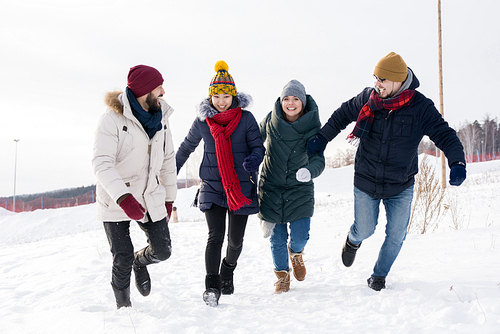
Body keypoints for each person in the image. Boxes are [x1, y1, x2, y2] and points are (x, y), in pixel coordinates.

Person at [307, 52, 467, 291]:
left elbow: (444, 134)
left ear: (398, 81)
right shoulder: (367, 99)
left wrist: (457, 162)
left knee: (396, 235)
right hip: (366, 179)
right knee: (365, 228)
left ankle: (378, 276)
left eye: (382, 79)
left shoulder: (421, 107)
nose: (377, 83)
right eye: (376, 77)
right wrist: (322, 138)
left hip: (400, 183)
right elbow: (341, 115)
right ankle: (353, 240)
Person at [176, 60, 265, 306]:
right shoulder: (202, 122)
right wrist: (170, 171)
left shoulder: (246, 119)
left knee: (235, 242)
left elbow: (258, 146)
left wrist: (254, 158)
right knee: (215, 236)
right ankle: (212, 287)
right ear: (210, 97)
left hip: (240, 187)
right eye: (217, 96)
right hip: (213, 186)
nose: (222, 101)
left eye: (226, 95)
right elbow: (186, 148)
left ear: (234, 95)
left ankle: (228, 268)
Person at [92, 65, 177, 309]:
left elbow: (168, 160)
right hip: (116, 197)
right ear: (143, 91)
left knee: (163, 251)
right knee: (122, 256)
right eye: (158, 86)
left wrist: (169, 198)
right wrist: (124, 198)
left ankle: (140, 262)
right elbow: (101, 163)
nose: (163, 91)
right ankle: (123, 308)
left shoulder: (161, 118)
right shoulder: (111, 120)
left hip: (150, 195)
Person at [259, 80, 325, 294]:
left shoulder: (313, 126)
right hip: (271, 186)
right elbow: (252, 141)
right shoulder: (270, 119)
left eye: (296, 98)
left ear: (303, 102)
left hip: (300, 187)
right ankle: (282, 276)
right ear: (281, 100)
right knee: (276, 238)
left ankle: (296, 253)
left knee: (300, 236)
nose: (290, 103)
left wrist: (310, 171)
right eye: (286, 98)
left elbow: (319, 158)